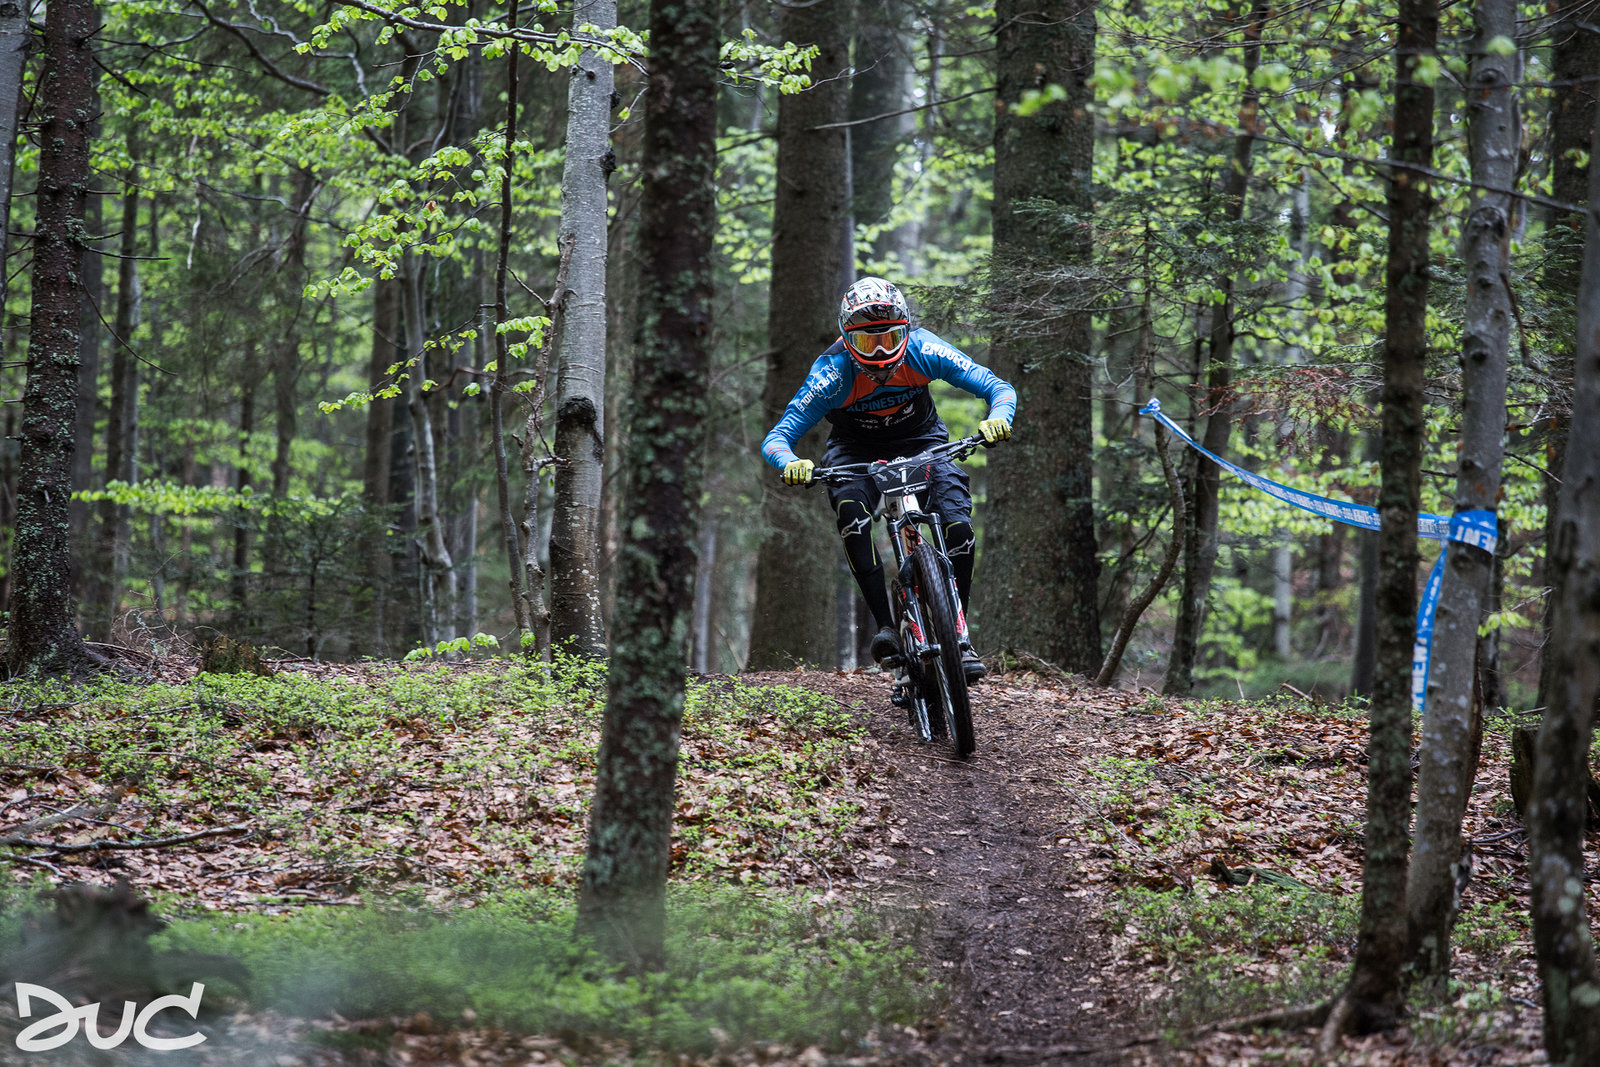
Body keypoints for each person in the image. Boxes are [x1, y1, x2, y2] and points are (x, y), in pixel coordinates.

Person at [761, 276, 1017, 682]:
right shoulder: (831, 375)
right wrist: (792, 463)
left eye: (889, 338)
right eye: (867, 342)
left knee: (957, 523)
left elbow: (996, 387)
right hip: (855, 450)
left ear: (907, 331)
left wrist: (998, 418)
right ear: (847, 340)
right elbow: (778, 438)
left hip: (923, 443)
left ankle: (959, 635)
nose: (879, 352)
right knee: (850, 510)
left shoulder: (924, 350)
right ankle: (885, 626)